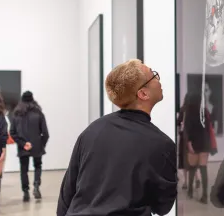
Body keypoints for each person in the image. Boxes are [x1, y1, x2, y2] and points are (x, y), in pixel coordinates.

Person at [57, 59, 177, 216]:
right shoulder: (162, 144)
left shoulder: (92, 131)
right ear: (143, 93)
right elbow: (162, 206)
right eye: (153, 75)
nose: (158, 79)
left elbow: (67, 193)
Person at [10, 91, 49, 202]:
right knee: (37, 166)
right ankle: (36, 185)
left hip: (23, 147)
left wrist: (23, 144)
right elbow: (45, 133)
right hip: (36, 145)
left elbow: (12, 132)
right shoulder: (38, 113)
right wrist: (41, 145)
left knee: (24, 169)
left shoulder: (16, 114)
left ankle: (25, 192)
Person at [183, 93, 212, 203]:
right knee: (203, 170)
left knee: (192, 168)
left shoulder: (189, 112)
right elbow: (209, 128)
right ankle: (205, 196)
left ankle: (190, 191)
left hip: (194, 143)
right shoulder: (204, 111)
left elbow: (188, 129)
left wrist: (189, 144)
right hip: (205, 143)